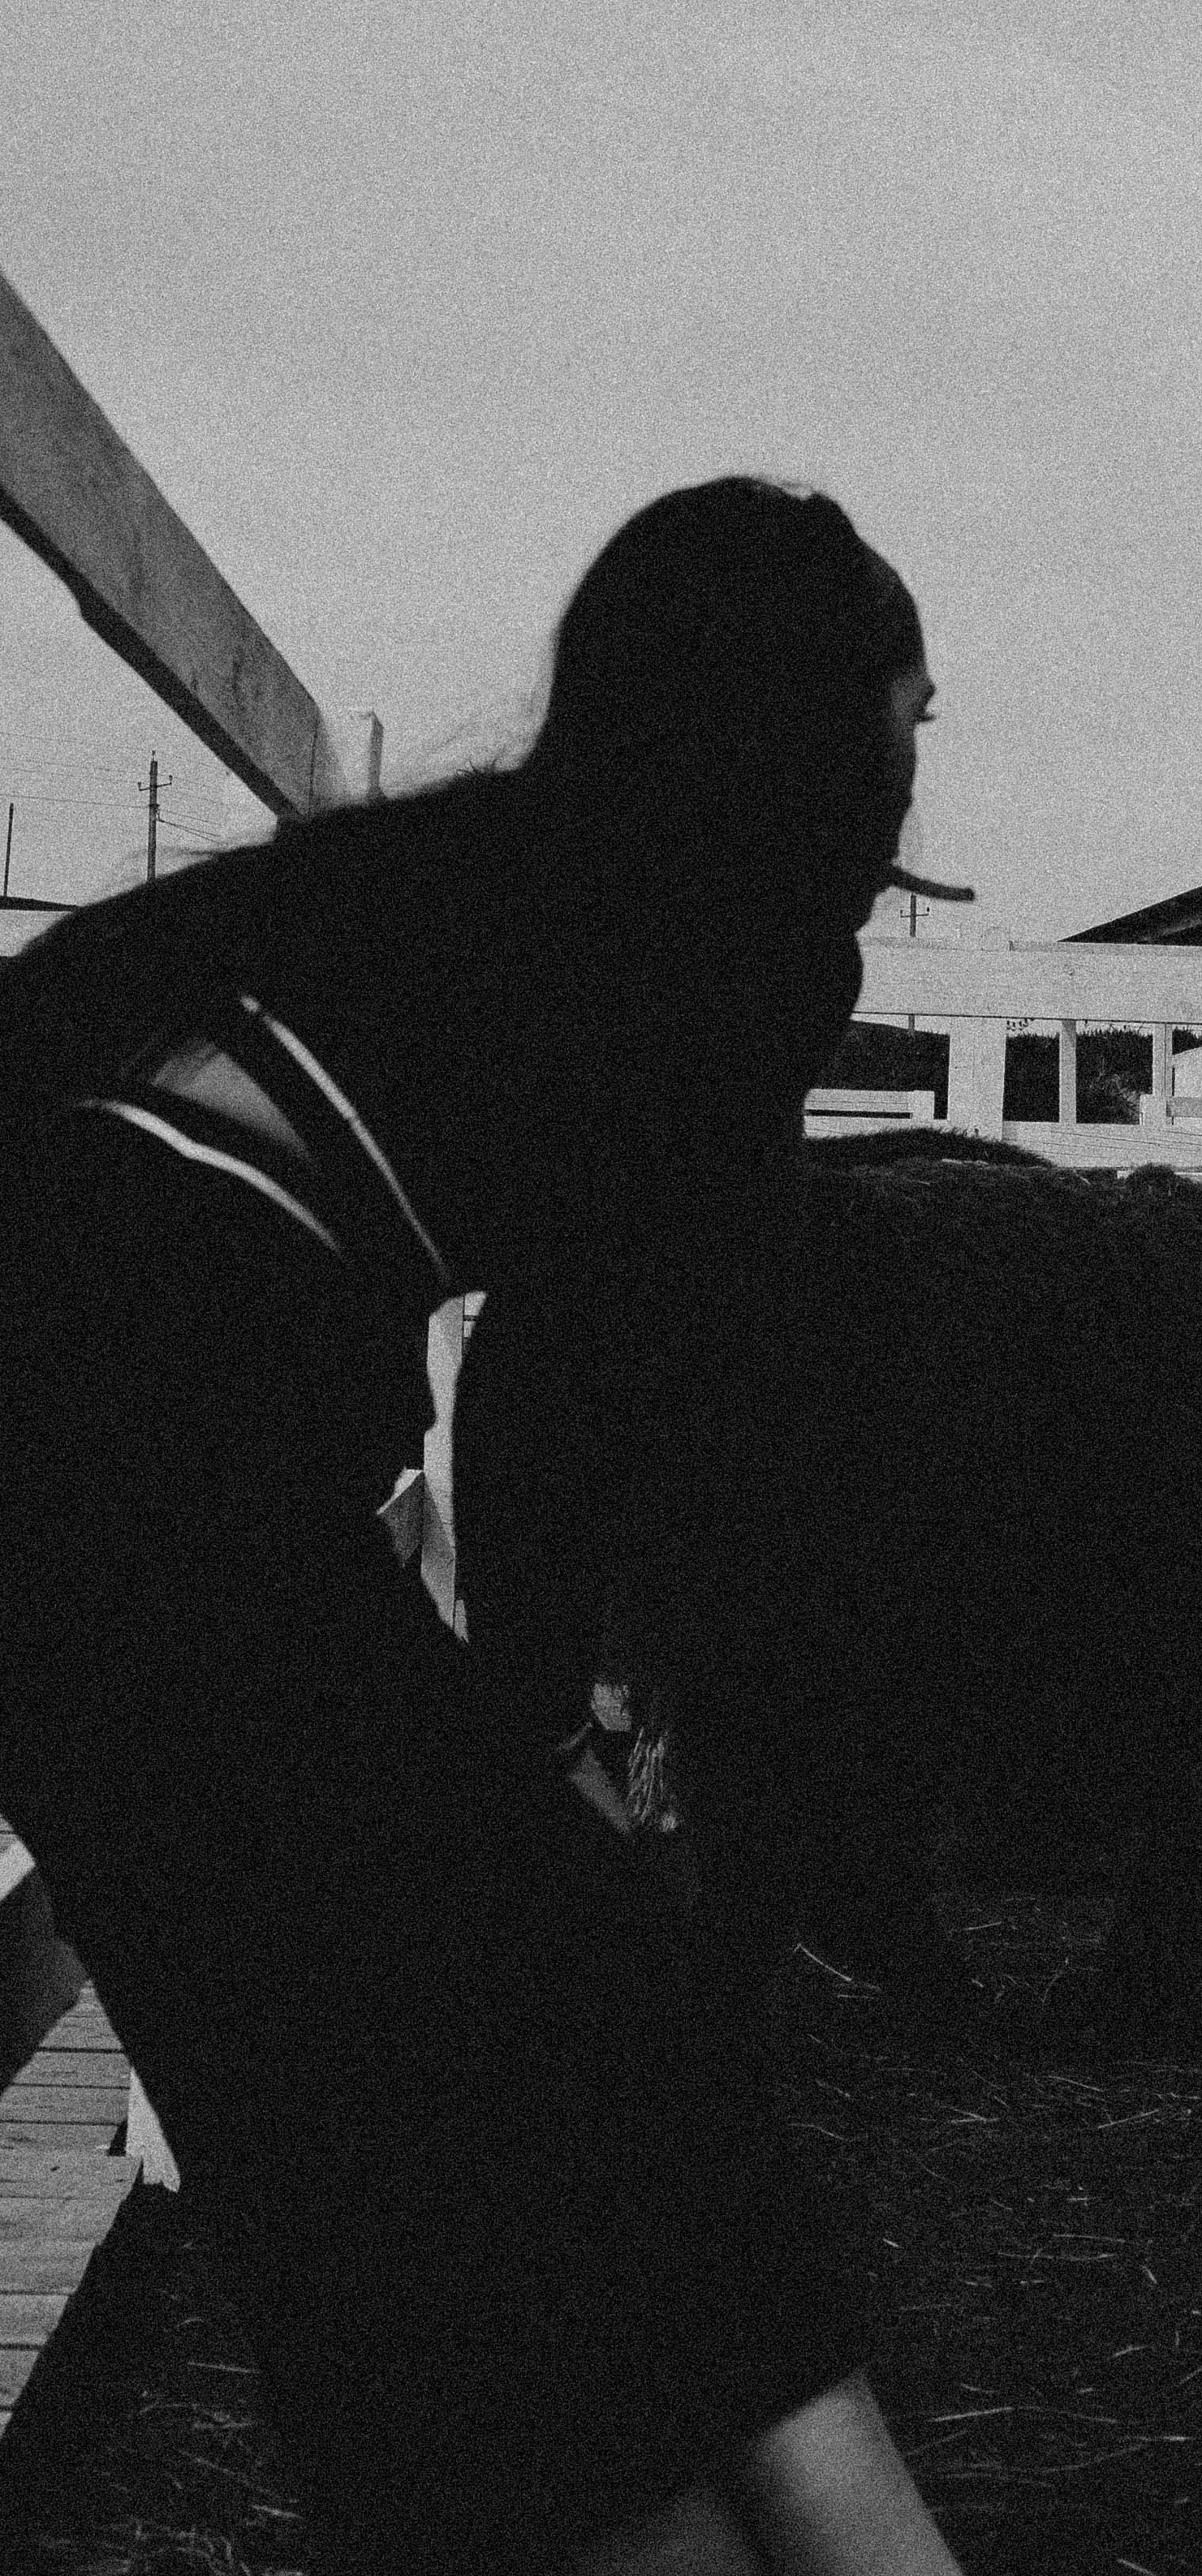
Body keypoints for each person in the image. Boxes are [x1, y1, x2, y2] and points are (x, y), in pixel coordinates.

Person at [0, 480, 966, 2576]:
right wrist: (549, 1724)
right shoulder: (733, 953)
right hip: (117, 1435)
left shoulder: (462, 879)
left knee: (468, 2044)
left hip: (111, 1421)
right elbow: (575, 1383)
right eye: (911, 706)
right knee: (463, 2058)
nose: (921, 757)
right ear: (812, 727)